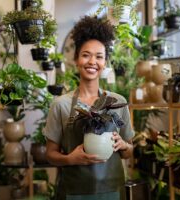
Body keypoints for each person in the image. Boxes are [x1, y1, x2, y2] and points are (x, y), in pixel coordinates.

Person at [43, 16, 134, 200]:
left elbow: (129, 152)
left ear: (105, 63)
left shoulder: (117, 102)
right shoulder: (61, 104)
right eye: (86, 55)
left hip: (113, 192)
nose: (92, 61)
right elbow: (50, 154)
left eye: (99, 56)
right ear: (76, 59)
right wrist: (70, 159)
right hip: (74, 193)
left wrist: (123, 145)